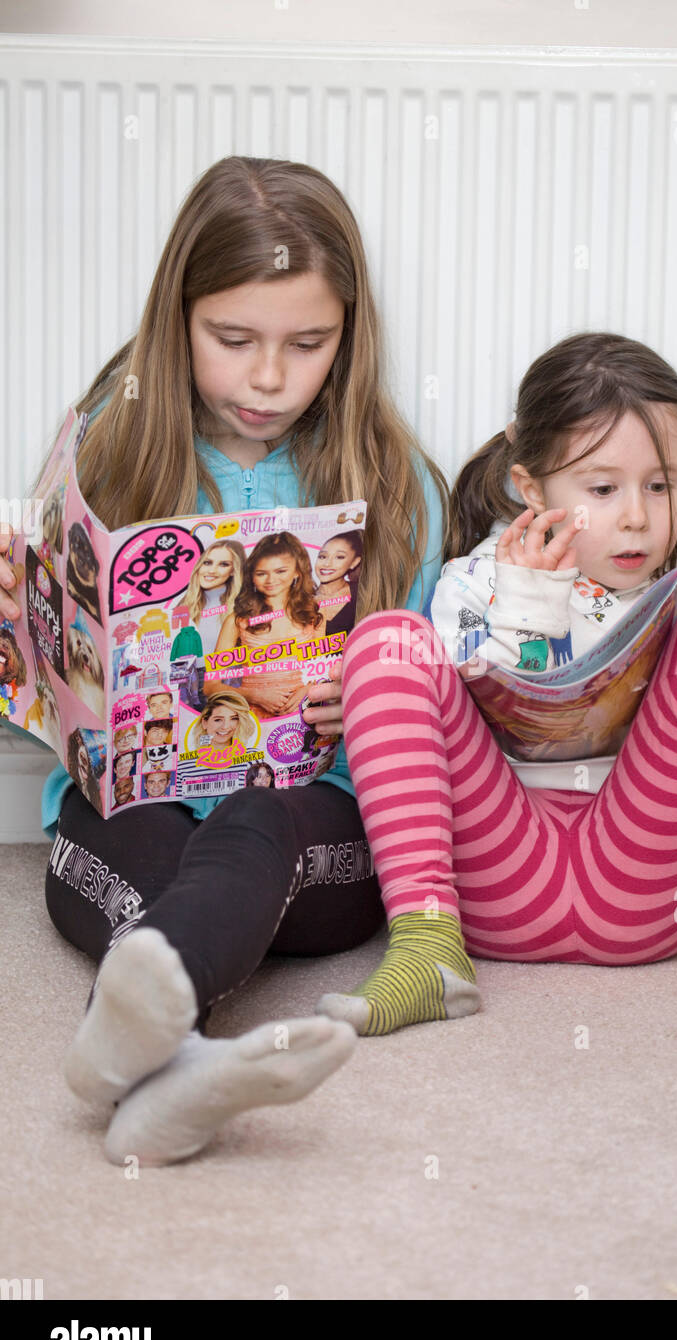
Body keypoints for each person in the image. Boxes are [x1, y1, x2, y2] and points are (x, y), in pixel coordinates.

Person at [0, 155, 447, 1166]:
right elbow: (36, 695)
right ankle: (177, 1073)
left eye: (307, 343)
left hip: (309, 829)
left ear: (350, 334)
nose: (266, 377)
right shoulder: (105, 452)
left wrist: (369, 689)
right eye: (232, 339)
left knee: (254, 822)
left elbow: (435, 697)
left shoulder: (398, 482)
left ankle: (143, 1044)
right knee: (151, 845)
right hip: (132, 817)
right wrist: (24, 638)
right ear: (177, 320)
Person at [318, 332, 677, 1036]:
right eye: (603, 489)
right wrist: (526, 605)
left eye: (659, 484)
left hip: (646, 890)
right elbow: (428, 717)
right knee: (387, 638)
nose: (636, 515)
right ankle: (426, 952)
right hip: (500, 881)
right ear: (530, 488)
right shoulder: (476, 580)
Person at [211, 531, 325, 718]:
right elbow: (211, 687)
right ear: (252, 577)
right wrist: (255, 695)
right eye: (262, 573)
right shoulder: (237, 621)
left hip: (302, 715)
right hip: (253, 718)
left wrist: (307, 690)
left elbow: (320, 672)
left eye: (281, 571)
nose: (271, 581)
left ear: (297, 571)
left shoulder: (314, 616)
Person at [170, 539, 246, 659]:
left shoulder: (242, 606)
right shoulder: (183, 607)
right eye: (207, 562)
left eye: (224, 564)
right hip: (185, 674)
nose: (211, 570)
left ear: (233, 570)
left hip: (226, 674)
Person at [314, 530, 362, 636]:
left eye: (339, 557)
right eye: (323, 556)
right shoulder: (299, 599)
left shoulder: (362, 595)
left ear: (354, 562)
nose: (327, 564)